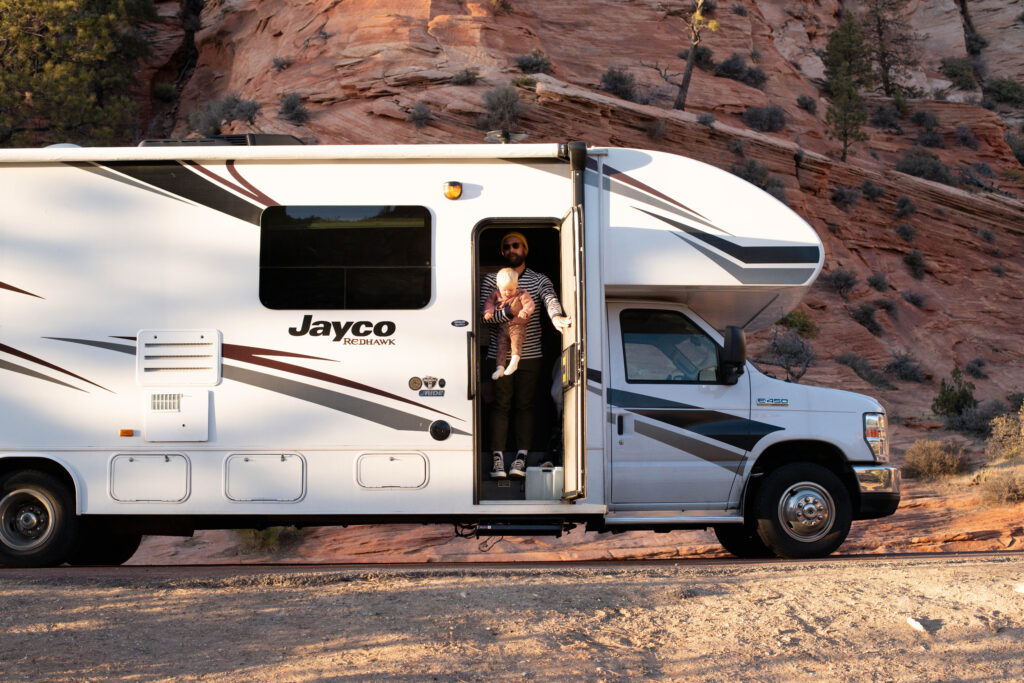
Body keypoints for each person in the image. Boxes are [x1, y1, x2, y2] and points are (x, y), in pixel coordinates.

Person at [480, 231, 571, 479]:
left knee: (525, 405)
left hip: (530, 355)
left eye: (516, 245)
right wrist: (511, 313)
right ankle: (497, 458)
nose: (511, 250)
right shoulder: (492, 280)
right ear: (503, 252)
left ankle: (521, 457)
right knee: (500, 406)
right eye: (506, 246)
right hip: (498, 355)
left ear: (525, 249)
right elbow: (485, 317)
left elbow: (549, 298)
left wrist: (555, 317)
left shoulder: (538, 279)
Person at [483, 267, 535, 379]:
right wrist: (488, 312)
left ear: (516, 285)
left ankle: (515, 360)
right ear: (498, 286)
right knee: (501, 346)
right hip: (502, 327)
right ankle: (500, 367)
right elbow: (488, 304)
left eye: (511, 289)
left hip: (517, 325)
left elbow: (529, 304)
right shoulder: (495, 294)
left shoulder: (521, 294)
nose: (507, 293)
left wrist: (525, 311)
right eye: (504, 290)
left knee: (516, 342)